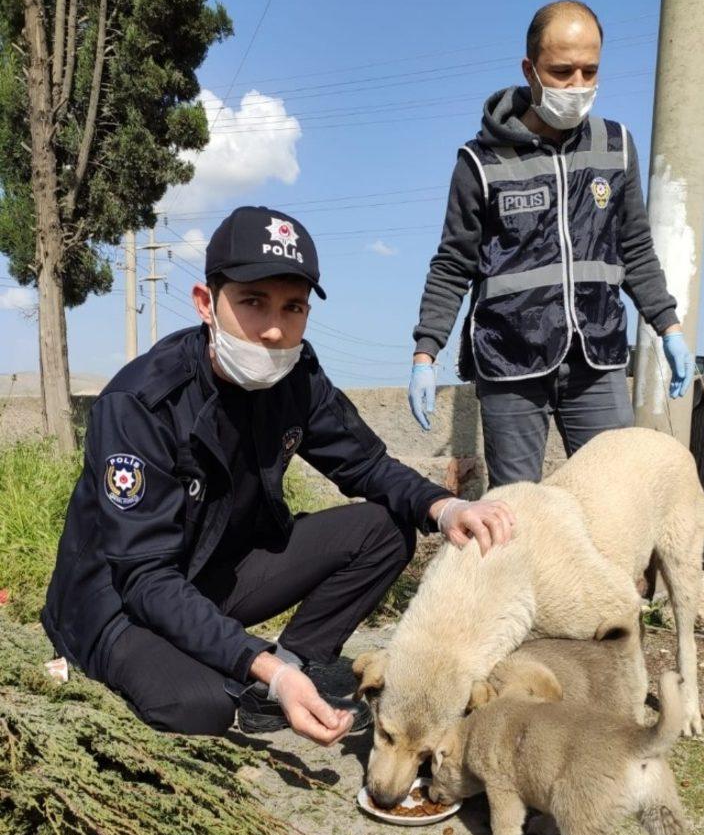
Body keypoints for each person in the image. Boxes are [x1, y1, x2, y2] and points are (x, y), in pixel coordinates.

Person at [42, 206, 514, 745]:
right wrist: (259, 664)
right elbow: (145, 578)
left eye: (293, 308)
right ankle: (257, 679)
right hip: (119, 600)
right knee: (202, 705)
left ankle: (293, 670)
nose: (273, 329)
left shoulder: (297, 376)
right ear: (205, 304)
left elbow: (365, 463)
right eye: (252, 302)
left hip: (213, 574)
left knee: (384, 529)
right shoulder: (142, 404)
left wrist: (446, 507)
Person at [408, 0, 695, 488]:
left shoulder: (615, 146)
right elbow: (453, 263)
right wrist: (425, 354)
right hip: (509, 360)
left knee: (617, 497)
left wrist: (667, 325)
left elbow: (635, 249)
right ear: (530, 70)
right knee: (516, 514)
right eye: (561, 72)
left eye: (590, 70)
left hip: (597, 356)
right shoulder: (481, 160)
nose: (578, 85)